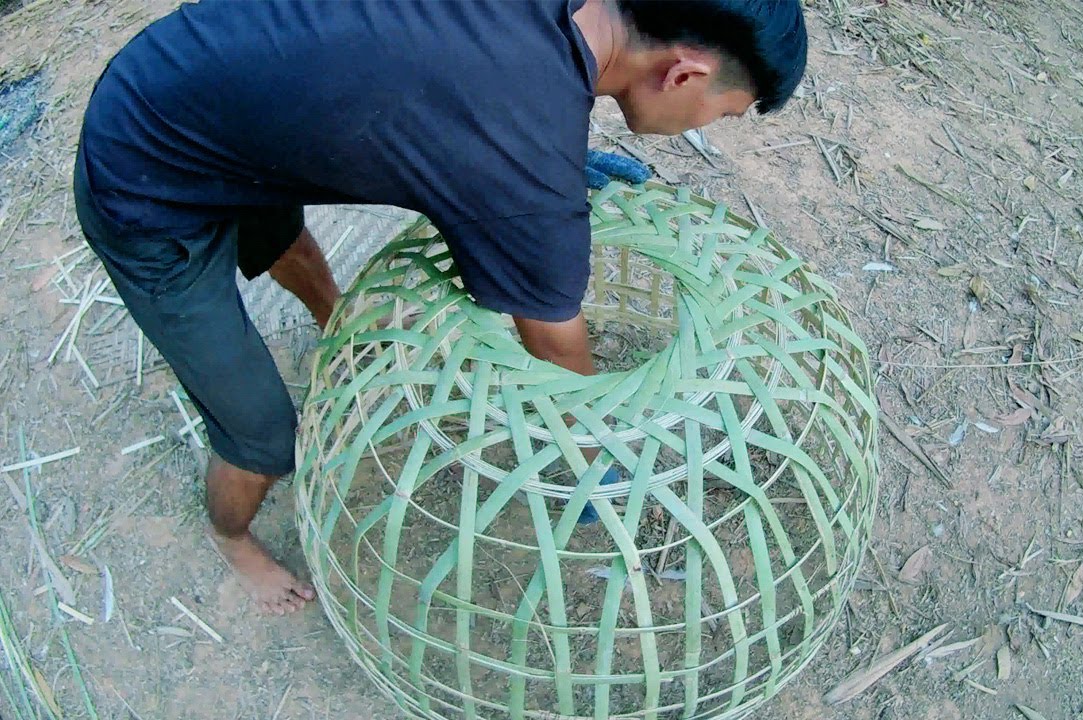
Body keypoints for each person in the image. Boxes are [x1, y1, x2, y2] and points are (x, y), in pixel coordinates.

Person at [72, 0, 807, 616]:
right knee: (261, 435)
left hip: (207, 76)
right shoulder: (521, 153)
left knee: (282, 239)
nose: (707, 126)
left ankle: (337, 327)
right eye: (726, 112)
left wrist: (549, 166)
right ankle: (233, 540)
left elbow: (462, 90)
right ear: (685, 71)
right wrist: (597, 464)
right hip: (146, 178)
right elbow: (556, 347)